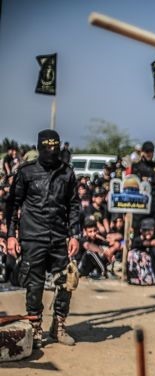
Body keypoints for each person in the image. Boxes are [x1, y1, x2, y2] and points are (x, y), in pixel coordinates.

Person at [3, 129, 80, 347]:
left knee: (67, 281)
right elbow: (13, 205)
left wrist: (74, 235)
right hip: (32, 236)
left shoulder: (67, 173)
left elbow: (74, 205)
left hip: (59, 236)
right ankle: (36, 327)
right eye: (46, 147)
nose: (51, 151)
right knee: (34, 285)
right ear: (39, 148)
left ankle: (59, 325)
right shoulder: (26, 172)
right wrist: (11, 236)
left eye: (54, 147)